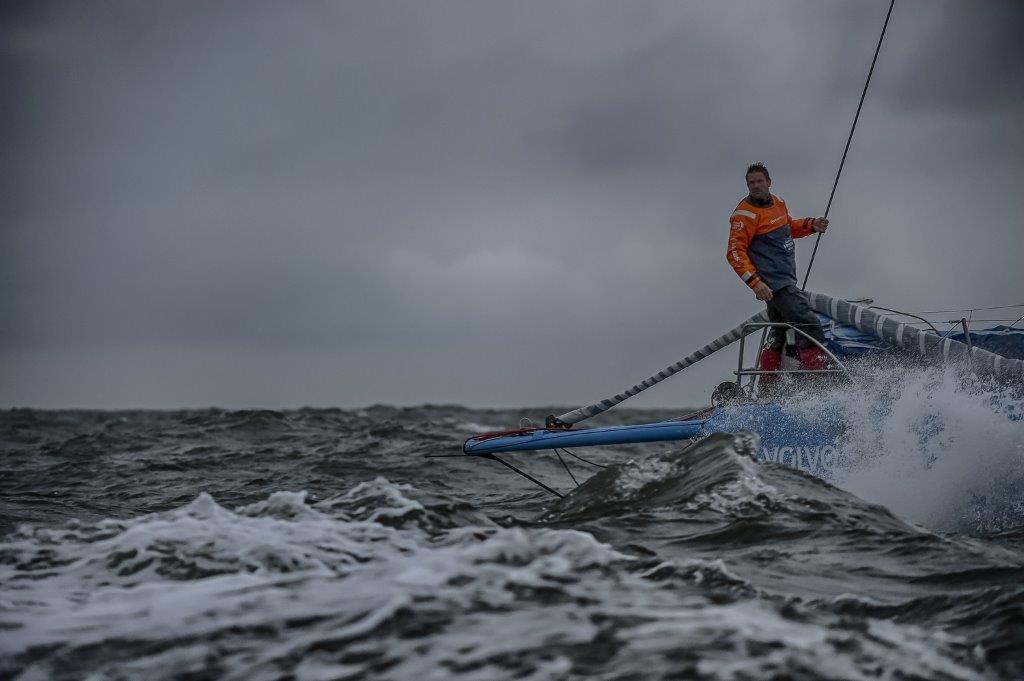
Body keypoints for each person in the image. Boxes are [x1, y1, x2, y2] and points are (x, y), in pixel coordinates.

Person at [726, 162, 830, 389]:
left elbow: (789, 227)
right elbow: (734, 253)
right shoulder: (744, 215)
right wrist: (755, 283)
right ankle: (820, 383)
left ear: (769, 182)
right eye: (751, 183)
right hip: (774, 284)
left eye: (759, 181)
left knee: (780, 332)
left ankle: (767, 389)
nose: (755, 186)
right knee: (808, 322)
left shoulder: (779, 202)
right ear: (747, 185)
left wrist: (812, 225)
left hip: (786, 278)